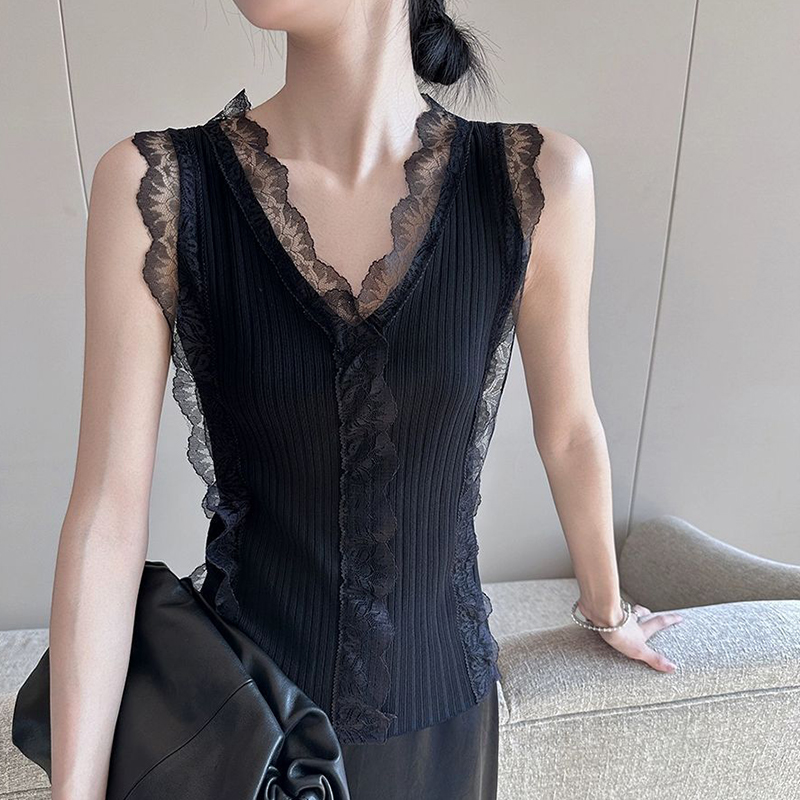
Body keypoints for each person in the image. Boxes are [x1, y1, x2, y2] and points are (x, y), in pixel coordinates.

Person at [46, 1, 684, 798]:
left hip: (444, 730)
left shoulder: (534, 181)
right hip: (246, 738)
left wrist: (607, 605)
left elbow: (570, 433)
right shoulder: (158, 187)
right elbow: (107, 514)